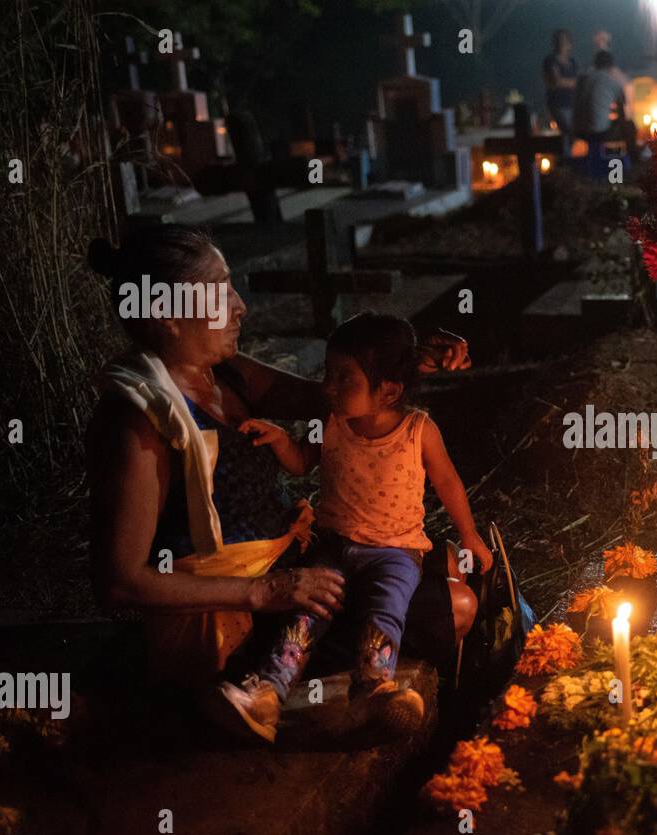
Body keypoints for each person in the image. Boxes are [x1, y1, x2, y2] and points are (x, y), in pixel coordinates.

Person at [85, 226, 476, 701]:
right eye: (220, 289)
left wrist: (400, 365)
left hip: (301, 567)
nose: (239, 305)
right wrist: (266, 592)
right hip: (238, 610)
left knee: (452, 563)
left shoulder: (224, 372)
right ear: (169, 314)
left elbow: (334, 398)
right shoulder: (139, 417)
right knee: (455, 603)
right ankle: (293, 698)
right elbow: (120, 582)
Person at [210, 313, 492, 742]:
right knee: (308, 614)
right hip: (334, 546)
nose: (328, 387)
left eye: (344, 379)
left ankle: (374, 687)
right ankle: (267, 692)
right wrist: (282, 441)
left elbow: (448, 482)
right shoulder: (331, 421)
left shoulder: (418, 430)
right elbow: (303, 462)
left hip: (395, 552)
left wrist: (469, 536)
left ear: (390, 390)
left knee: (385, 611)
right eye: (328, 373)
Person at [573, 50, 634, 174]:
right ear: (611, 66)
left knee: (600, 124)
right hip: (598, 131)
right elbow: (622, 112)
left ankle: (596, 162)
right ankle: (630, 162)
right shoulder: (613, 82)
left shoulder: (582, 79)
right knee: (629, 125)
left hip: (577, 129)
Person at [542, 28, 578, 145]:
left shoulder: (572, 62)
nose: (562, 43)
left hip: (572, 104)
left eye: (565, 40)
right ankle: (566, 159)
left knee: (574, 133)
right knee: (568, 131)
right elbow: (556, 81)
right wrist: (574, 82)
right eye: (560, 40)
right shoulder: (550, 61)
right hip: (558, 104)